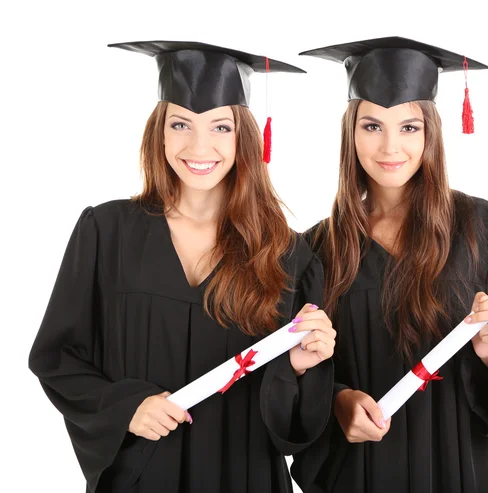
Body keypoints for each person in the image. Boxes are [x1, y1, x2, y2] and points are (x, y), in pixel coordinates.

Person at [28, 40, 336, 493]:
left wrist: (299, 368)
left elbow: (296, 428)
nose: (199, 146)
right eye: (180, 124)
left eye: (220, 127)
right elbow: (57, 357)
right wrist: (125, 407)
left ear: (243, 137)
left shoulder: (287, 254)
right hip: (141, 476)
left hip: (243, 476)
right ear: (161, 133)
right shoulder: (106, 231)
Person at [291, 37, 488, 493]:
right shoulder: (315, 249)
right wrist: (337, 402)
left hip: (460, 466)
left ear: (431, 131)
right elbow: (301, 369)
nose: (390, 146)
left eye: (408, 127)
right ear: (350, 132)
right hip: (361, 470)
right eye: (372, 126)